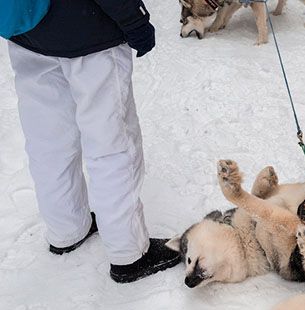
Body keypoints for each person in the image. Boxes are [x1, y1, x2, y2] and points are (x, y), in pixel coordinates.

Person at [3, 0, 181, 283]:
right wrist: (134, 21)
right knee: (112, 145)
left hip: (27, 31)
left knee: (48, 142)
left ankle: (66, 229)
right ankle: (129, 254)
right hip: (90, 35)